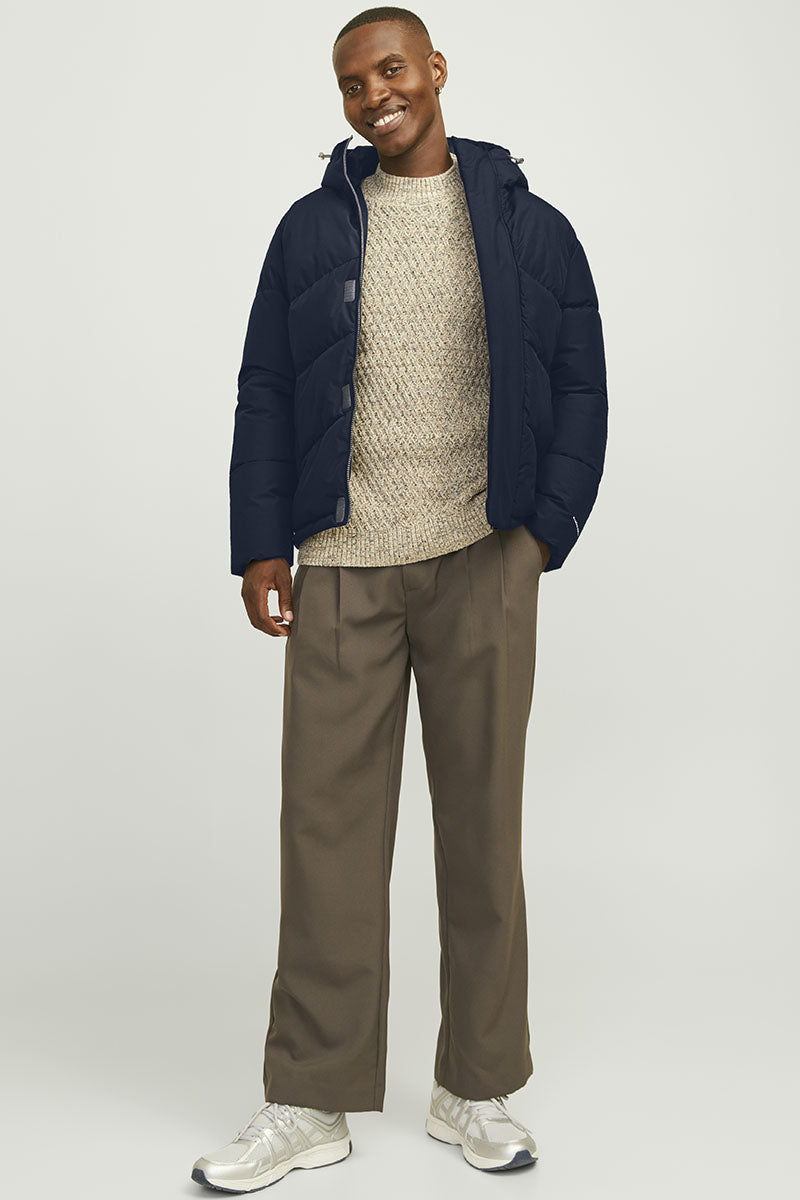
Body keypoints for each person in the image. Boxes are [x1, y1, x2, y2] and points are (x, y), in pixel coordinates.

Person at [191, 4, 608, 1191]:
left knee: (480, 831)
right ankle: (308, 1099)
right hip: (340, 560)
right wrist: (259, 547)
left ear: (433, 69)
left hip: (482, 554)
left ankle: (475, 1084)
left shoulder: (529, 228)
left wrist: (541, 533)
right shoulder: (310, 229)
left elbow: (580, 381)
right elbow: (267, 386)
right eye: (350, 82)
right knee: (324, 838)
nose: (373, 94)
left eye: (388, 69)